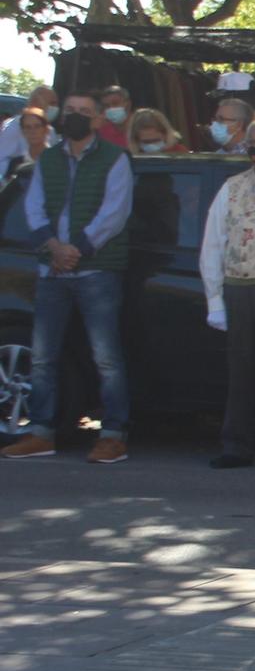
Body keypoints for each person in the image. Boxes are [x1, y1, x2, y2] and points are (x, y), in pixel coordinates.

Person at [1, 91, 135, 463]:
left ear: (96, 121)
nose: (75, 116)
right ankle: (41, 432)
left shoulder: (114, 158)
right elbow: (34, 207)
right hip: (52, 270)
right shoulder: (49, 161)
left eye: (84, 111)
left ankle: (112, 434)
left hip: (96, 270)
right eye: (70, 110)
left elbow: (115, 212)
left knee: (106, 357)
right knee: (43, 357)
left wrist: (76, 248)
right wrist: (54, 248)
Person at [199, 118, 255, 470]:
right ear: (247, 147)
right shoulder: (231, 188)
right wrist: (214, 301)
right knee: (240, 372)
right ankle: (236, 445)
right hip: (238, 289)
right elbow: (213, 244)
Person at [0, 87, 59, 170]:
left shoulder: (51, 131)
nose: (55, 107)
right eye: (52, 103)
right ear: (35, 103)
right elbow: (2, 161)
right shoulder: (15, 126)